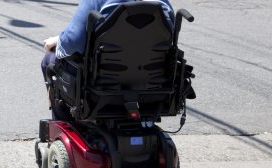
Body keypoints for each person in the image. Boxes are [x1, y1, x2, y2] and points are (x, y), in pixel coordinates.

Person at [41, 0, 175, 121]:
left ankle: (66, 125)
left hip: (100, 88)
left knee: (49, 60)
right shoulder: (162, 3)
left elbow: (73, 43)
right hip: (153, 88)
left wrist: (58, 41)